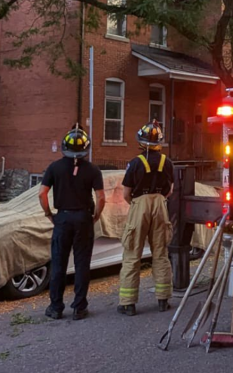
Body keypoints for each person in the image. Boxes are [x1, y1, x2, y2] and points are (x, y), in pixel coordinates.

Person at [39, 125, 105, 321]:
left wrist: (49, 213)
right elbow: (100, 197)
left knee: (59, 263)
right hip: (83, 218)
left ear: (64, 146)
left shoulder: (54, 167)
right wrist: (96, 215)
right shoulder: (93, 170)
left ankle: (56, 307)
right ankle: (79, 307)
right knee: (82, 263)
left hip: (63, 218)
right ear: (86, 148)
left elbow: (42, 193)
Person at [117, 121, 174, 316]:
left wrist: (138, 204)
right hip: (160, 203)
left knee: (133, 254)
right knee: (160, 253)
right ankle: (163, 300)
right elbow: (170, 190)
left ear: (141, 141)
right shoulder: (167, 162)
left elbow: (126, 194)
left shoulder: (134, 163)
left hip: (139, 203)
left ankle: (128, 303)